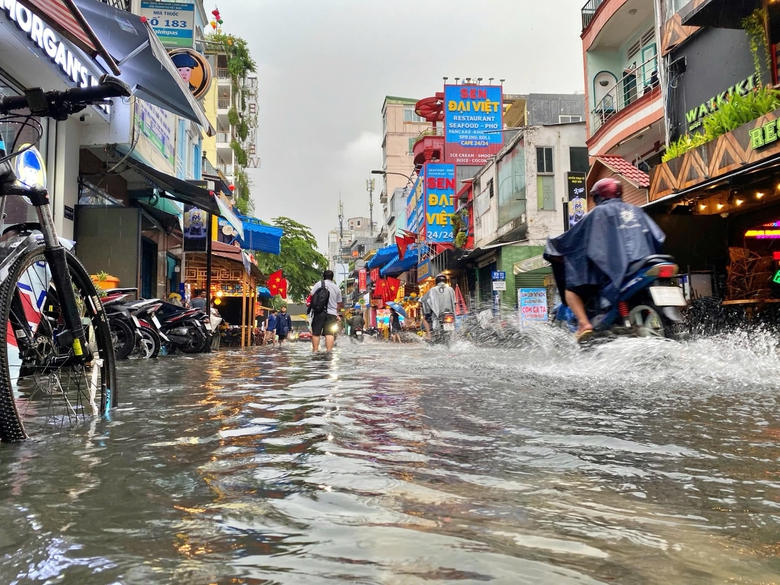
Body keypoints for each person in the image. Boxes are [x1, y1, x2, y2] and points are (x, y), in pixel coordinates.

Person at [543, 177, 665, 342]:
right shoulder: (637, 210)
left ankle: (585, 325)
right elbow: (657, 236)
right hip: (644, 263)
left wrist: (553, 245)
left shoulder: (598, 213)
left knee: (571, 290)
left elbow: (573, 238)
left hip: (614, 270)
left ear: (599, 196)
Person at [309, 269, 343, 352]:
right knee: (329, 333)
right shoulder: (336, 287)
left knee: (316, 333)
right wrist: (336, 313)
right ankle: (329, 351)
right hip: (331, 314)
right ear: (332, 277)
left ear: (323, 276)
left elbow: (311, 295)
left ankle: (315, 351)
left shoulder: (318, 284)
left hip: (319, 312)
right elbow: (339, 303)